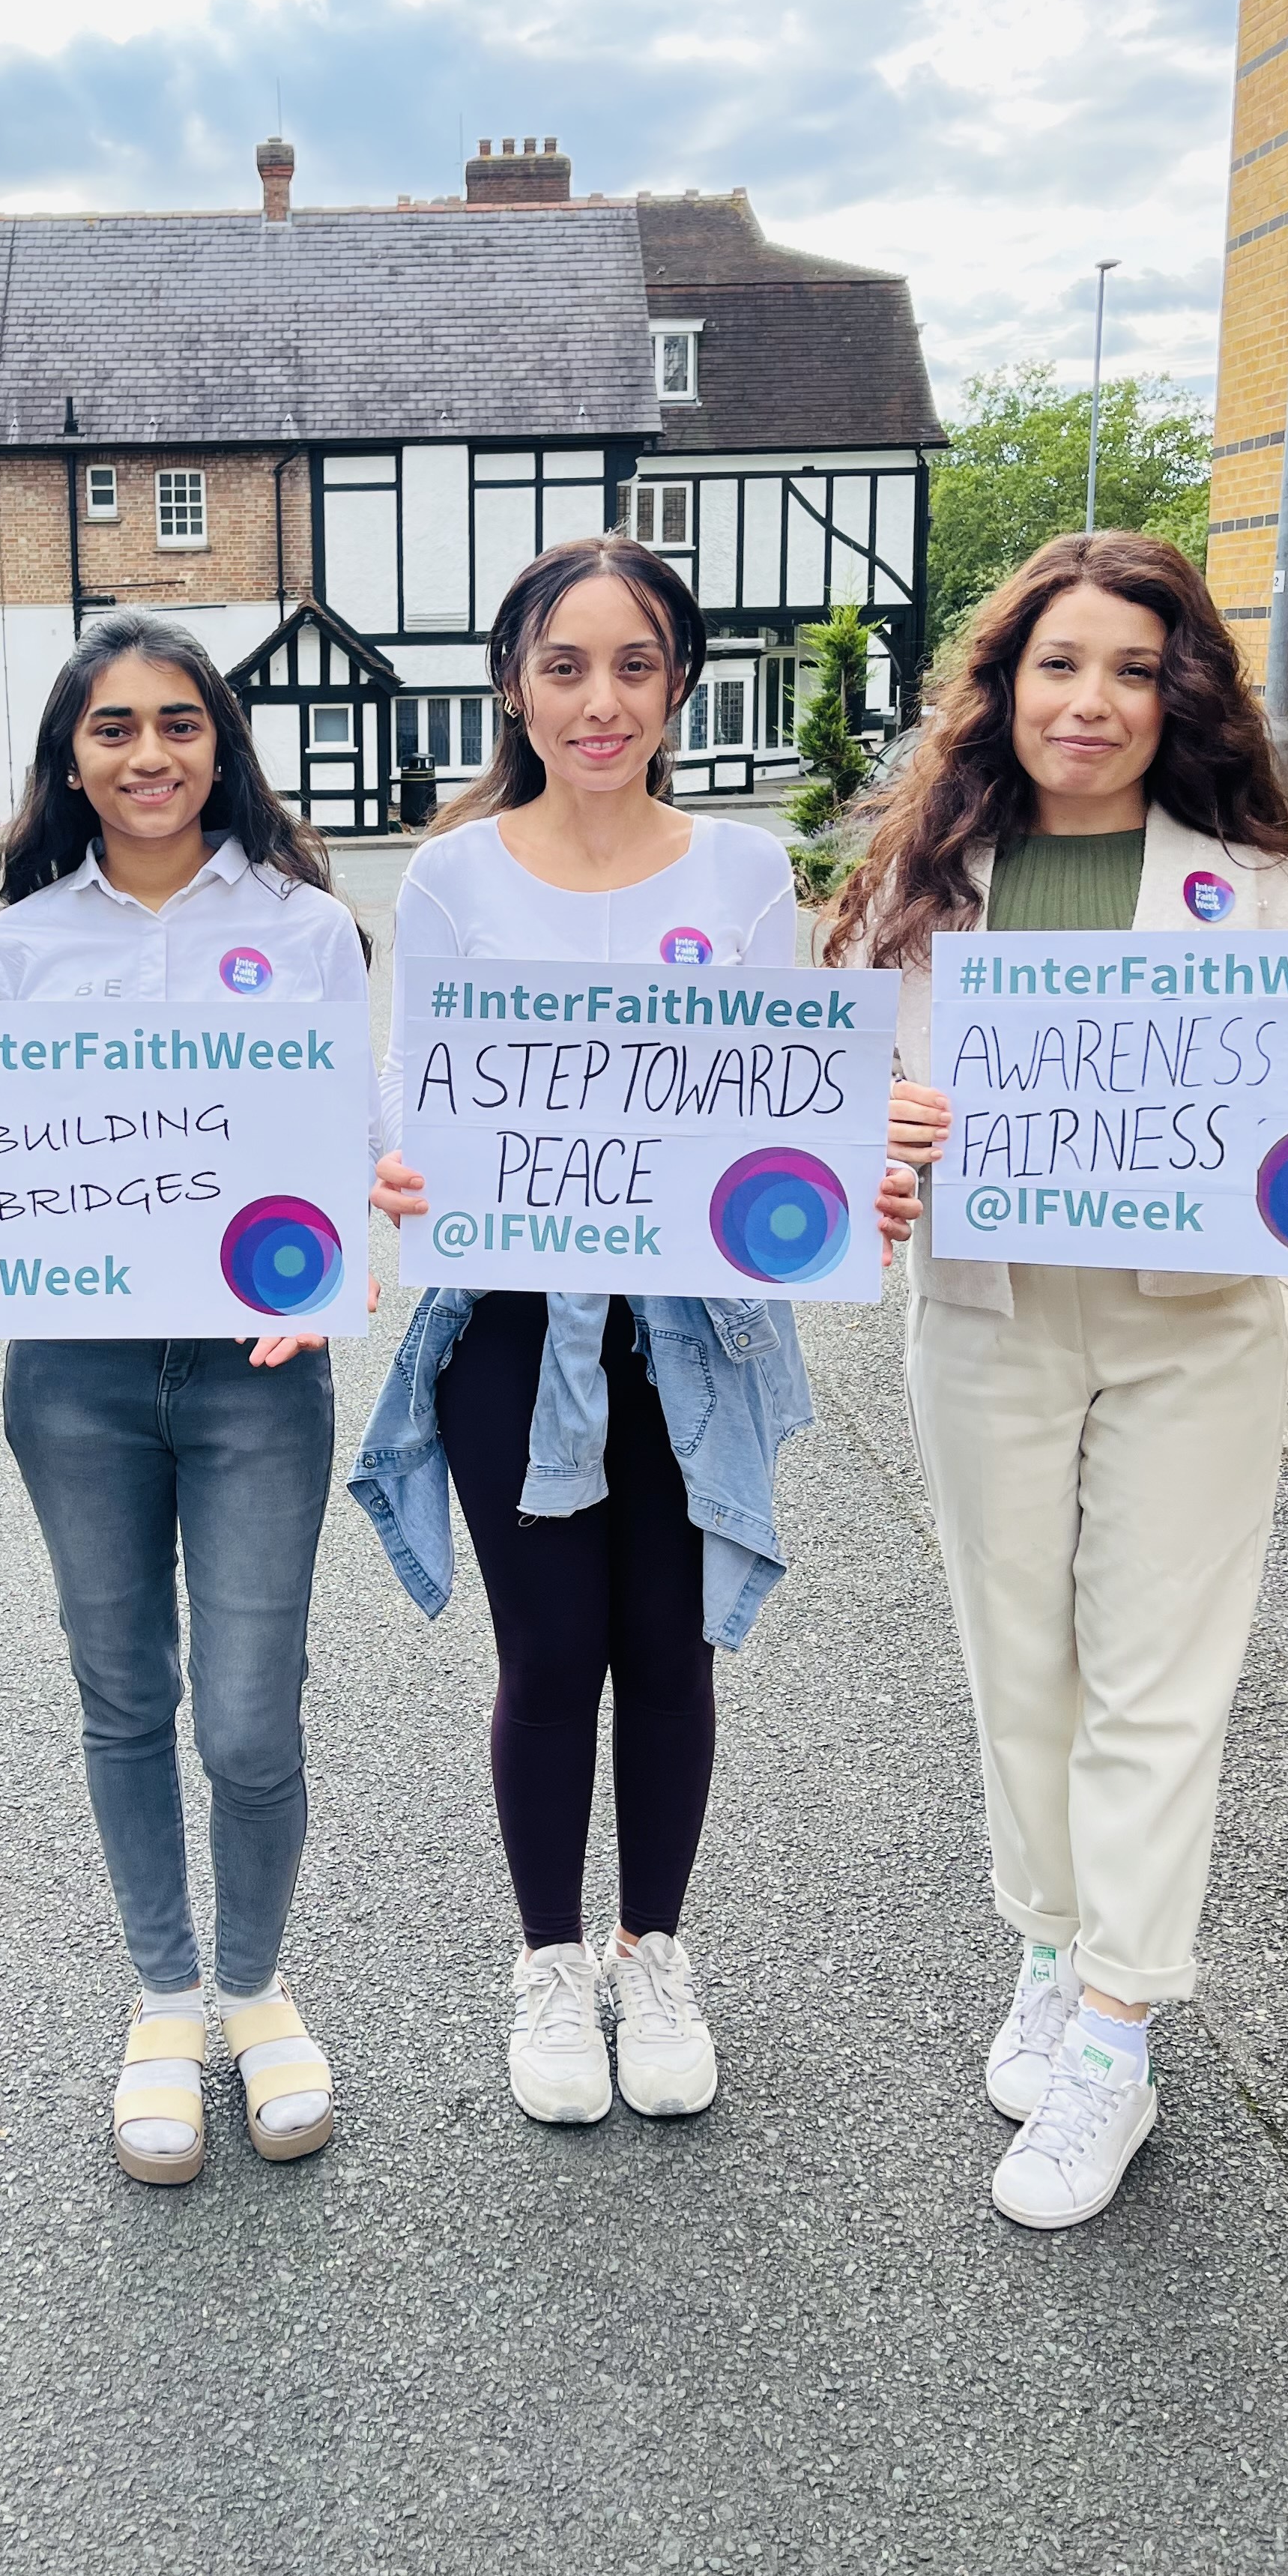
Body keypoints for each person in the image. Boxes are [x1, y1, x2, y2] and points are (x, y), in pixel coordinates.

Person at [827, 530, 1288, 2229]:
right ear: (1008, 685)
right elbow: (810, 1111)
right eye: (1061, 664)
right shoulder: (925, 881)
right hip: (986, 1315)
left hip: (1195, 1331)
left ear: (1178, 692)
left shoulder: (1248, 889)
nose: (1093, 701)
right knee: (1017, 1663)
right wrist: (861, 1136)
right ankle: (1053, 1942)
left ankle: (1116, 2026)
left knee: (1157, 1679)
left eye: (1133, 668)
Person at [353, 534, 916, 2129]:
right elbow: (417, 1099)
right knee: (548, 1656)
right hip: (510, 1329)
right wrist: (391, 1173)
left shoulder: (741, 875)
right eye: (564, 667)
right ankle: (547, 1962)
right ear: (516, 689)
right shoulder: (456, 876)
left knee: (667, 1657)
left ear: (677, 684)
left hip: (699, 1338)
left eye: (634, 666)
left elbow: (785, 1098)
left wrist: (845, 1180)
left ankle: (651, 1950)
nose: (599, 702)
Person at [0, 611, 369, 2186]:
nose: (149, 755)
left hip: (256, 1380)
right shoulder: (14, 948)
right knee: (123, 1697)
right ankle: (164, 1995)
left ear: (223, 742)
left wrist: (324, 1263)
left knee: (245, 1716)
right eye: (113, 728)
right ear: (68, 758)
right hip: (71, 1381)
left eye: (180, 723)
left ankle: (258, 1988)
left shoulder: (305, 930)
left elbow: (342, 1146)